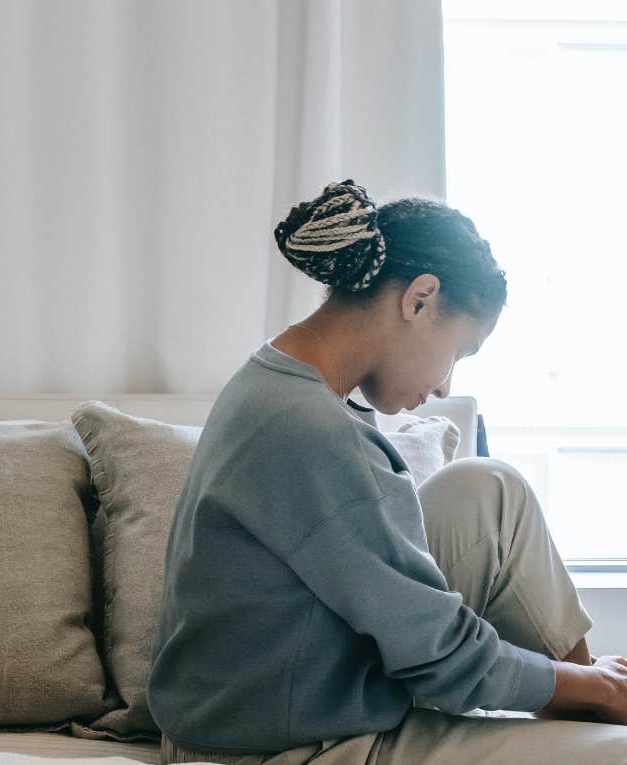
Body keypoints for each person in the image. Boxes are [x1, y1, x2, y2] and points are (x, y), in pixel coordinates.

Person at [148, 180, 627, 764]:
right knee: (605, 755)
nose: (447, 385)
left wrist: (577, 682)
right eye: (460, 352)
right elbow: (444, 659)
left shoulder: (281, 381)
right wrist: (593, 684)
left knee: (490, 490)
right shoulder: (308, 429)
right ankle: (601, 699)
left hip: (284, 692)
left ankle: (592, 697)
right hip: (272, 746)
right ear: (419, 299)